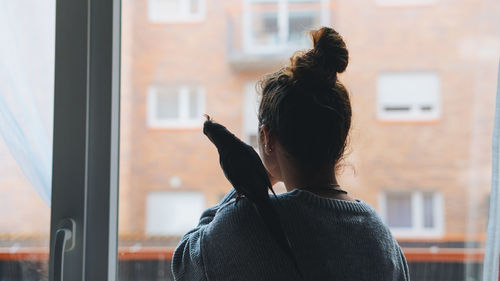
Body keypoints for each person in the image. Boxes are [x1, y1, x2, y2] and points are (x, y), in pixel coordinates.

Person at [171, 26, 410, 281]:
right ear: (341, 137)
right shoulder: (380, 236)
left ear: (267, 138)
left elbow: (185, 264)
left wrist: (252, 178)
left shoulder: (245, 223)